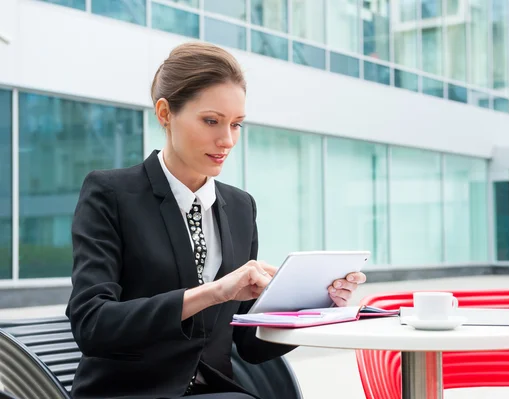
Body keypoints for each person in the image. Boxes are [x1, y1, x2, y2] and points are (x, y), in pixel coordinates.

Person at [65, 41, 367, 399]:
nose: (227, 140)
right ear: (165, 113)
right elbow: (92, 322)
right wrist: (214, 292)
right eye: (211, 121)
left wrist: (318, 304)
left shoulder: (240, 207)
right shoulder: (111, 194)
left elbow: (249, 345)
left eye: (237, 124)